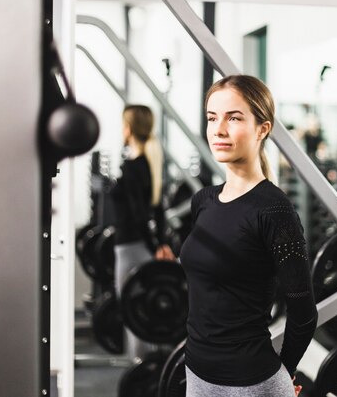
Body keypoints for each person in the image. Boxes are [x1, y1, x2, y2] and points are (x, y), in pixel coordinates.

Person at [179, 75, 318, 397]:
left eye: (234, 118)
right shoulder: (203, 201)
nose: (219, 130)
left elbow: (303, 312)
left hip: (252, 383)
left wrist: (285, 373)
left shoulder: (273, 210)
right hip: (196, 371)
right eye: (213, 118)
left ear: (263, 129)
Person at [110, 104, 175, 359]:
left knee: (132, 311)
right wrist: (160, 244)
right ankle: (150, 371)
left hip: (129, 248)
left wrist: (154, 246)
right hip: (142, 247)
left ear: (128, 128)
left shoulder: (131, 167)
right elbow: (157, 211)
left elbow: (139, 214)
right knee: (146, 312)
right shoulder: (152, 164)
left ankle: (143, 369)